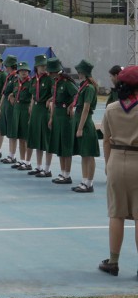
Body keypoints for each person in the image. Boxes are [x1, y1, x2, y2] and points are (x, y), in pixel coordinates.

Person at [98, 65, 138, 276]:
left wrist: (108, 165)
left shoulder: (112, 108)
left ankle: (113, 262)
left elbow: (106, 140)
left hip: (116, 159)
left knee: (116, 213)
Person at [70, 59, 100, 194]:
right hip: (81, 121)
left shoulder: (89, 88)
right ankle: (84, 181)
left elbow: (86, 109)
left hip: (85, 123)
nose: (78, 73)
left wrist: (80, 127)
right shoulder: (83, 86)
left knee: (89, 154)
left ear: (84, 73)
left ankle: (89, 183)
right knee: (84, 154)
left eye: (80, 71)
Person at [47, 58, 77, 185]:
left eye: (50, 72)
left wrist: (71, 105)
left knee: (66, 146)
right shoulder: (56, 83)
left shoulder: (66, 82)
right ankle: (62, 172)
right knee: (59, 145)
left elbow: (77, 95)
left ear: (55, 72)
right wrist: (51, 118)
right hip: (57, 115)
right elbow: (54, 101)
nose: (48, 74)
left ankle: (67, 174)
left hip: (65, 117)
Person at [10, 62, 33, 170]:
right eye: (21, 71)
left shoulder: (30, 83)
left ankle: (28, 162)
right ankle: (22, 160)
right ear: (18, 72)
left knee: (27, 137)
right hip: (17, 109)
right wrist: (11, 96)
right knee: (20, 137)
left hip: (25, 109)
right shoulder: (16, 82)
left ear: (28, 72)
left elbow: (33, 96)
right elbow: (13, 93)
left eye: (25, 71)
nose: (23, 72)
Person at [0, 55, 20, 164]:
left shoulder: (16, 77)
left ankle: (12, 155)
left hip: (11, 106)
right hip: (6, 104)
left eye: (6, 65)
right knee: (8, 131)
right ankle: (11, 154)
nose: (5, 67)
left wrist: (12, 94)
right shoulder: (9, 77)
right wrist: (0, 108)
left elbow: (16, 91)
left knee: (12, 131)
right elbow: (4, 94)